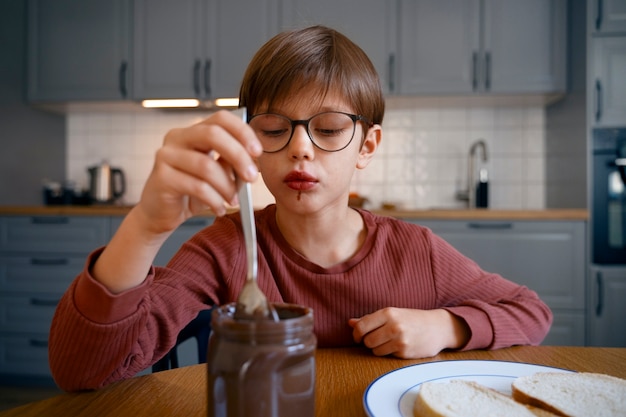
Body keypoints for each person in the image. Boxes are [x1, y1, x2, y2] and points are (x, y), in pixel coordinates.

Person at [49, 25, 552, 392]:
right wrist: (144, 227)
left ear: (367, 146)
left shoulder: (415, 252)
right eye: (274, 129)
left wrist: (446, 326)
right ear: (251, 141)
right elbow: (81, 370)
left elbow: (530, 312)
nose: (301, 149)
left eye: (329, 129)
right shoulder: (228, 247)